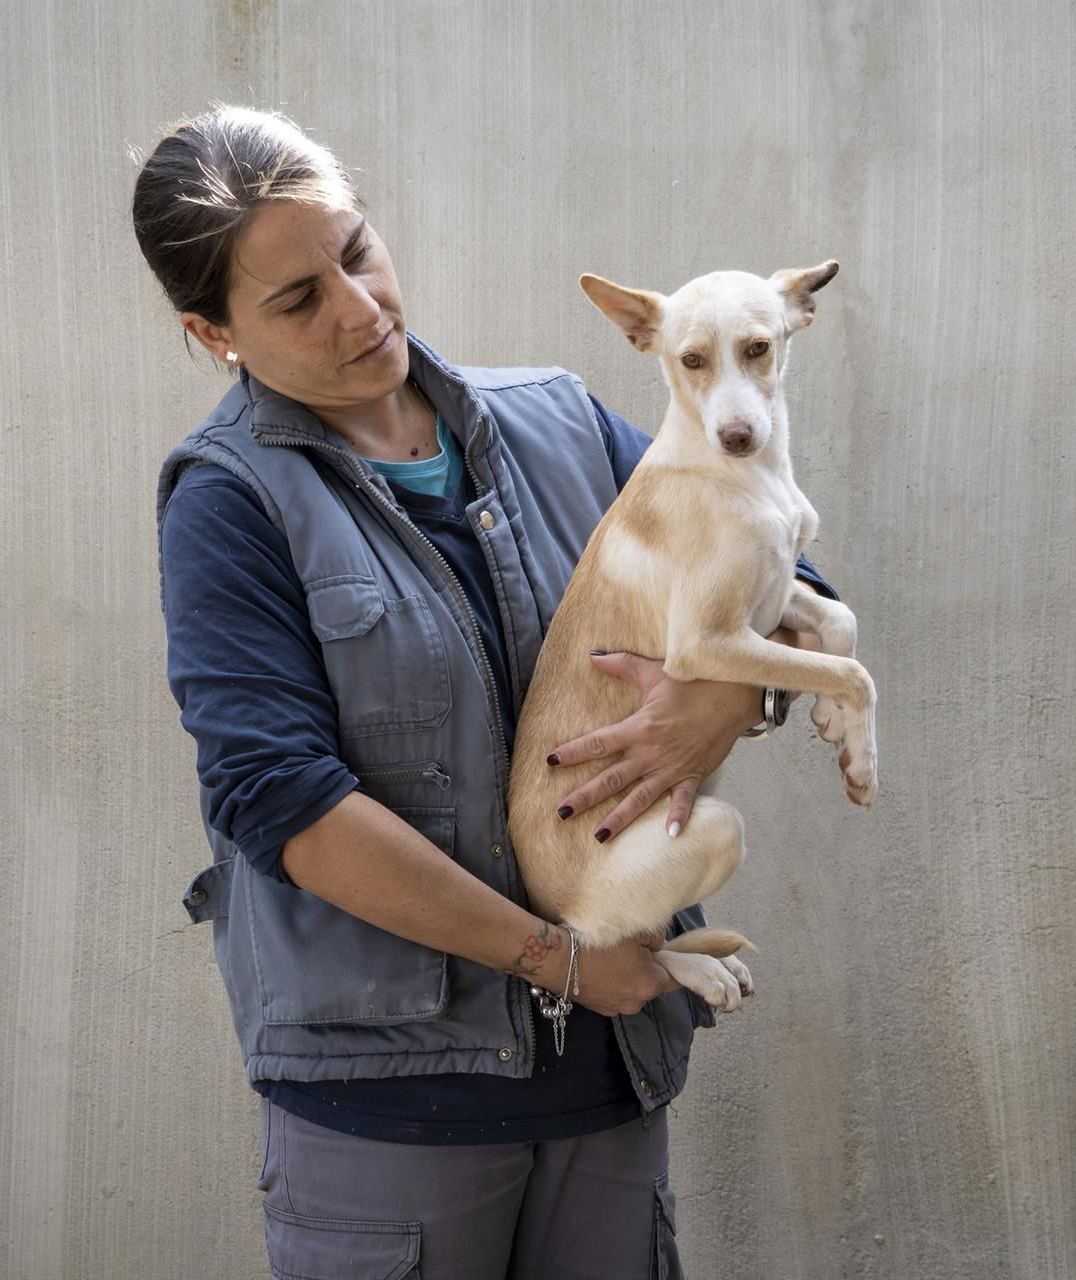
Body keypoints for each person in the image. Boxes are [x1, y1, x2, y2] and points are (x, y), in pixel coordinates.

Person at [133, 105, 837, 1280]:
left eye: (356, 251)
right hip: (395, 1106)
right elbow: (283, 802)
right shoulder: (228, 502)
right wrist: (557, 958)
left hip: (610, 1065)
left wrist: (725, 702)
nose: (359, 309)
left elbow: (779, 568)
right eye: (298, 299)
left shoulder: (558, 418)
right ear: (214, 335)